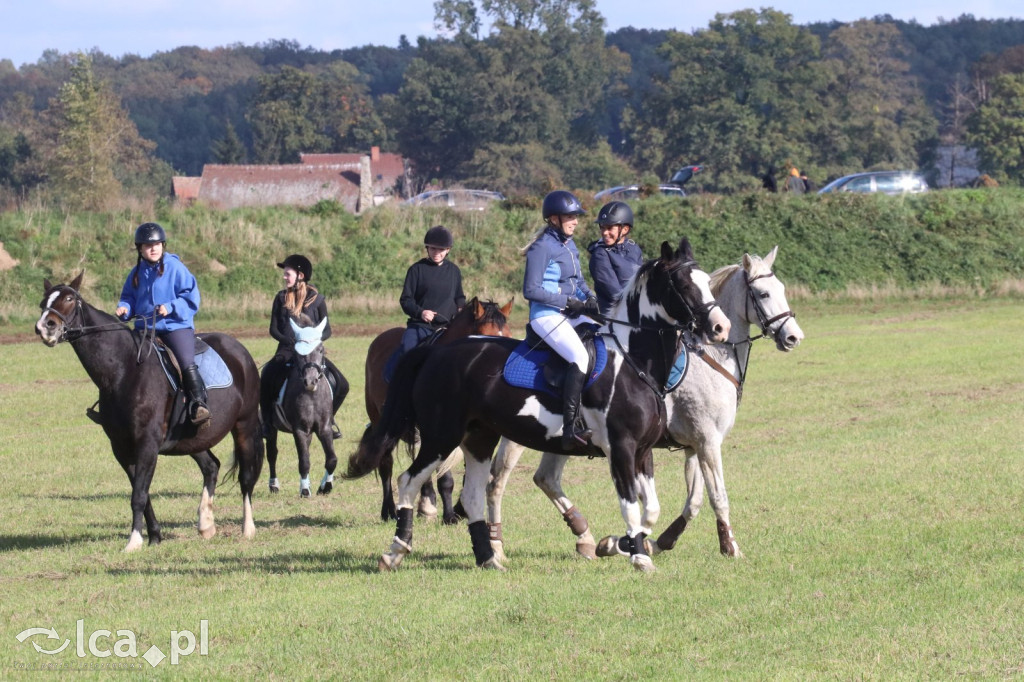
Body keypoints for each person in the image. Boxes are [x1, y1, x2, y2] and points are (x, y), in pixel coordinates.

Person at [522, 190, 601, 450]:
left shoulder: (570, 245)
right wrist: (567, 302)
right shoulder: (541, 247)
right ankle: (570, 428)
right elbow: (530, 290)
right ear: (554, 219)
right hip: (545, 316)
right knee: (579, 357)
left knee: (603, 338)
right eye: (570, 216)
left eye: (576, 216)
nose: (576, 220)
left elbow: (576, 282)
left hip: (569, 316)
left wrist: (591, 300)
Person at [116, 222, 209, 424]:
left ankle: (199, 404)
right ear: (140, 249)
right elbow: (129, 297)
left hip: (175, 327)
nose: (153, 248)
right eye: (148, 245)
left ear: (163, 245)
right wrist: (125, 308)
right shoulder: (136, 272)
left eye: (157, 244)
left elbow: (191, 297)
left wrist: (171, 306)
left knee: (186, 363)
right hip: (144, 330)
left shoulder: (175, 267)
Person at [260, 254, 349, 439]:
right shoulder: (280, 298)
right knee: (267, 375)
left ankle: (328, 421)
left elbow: (328, 330)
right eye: (284, 274)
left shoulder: (317, 300)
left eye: (287, 273)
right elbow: (273, 329)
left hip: (312, 353)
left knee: (342, 384)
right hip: (286, 350)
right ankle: (267, 424)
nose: (284, 277)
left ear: (300, 275)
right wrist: (289, 342)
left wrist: (314, 341)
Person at [396, 225, 466, 357]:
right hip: (421, 326)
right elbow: (406, 300)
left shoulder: (454, 271)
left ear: (448, 250)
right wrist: (421, 312)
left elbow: (459, 296)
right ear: (427, 248)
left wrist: (461, 308)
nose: (437, 253)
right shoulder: (416, 269)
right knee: (407, 352)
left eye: (441, 249)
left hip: (447, 327)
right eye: (433, 248)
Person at [587, 200, 644, 316]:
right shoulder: (600, 255)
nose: (604, 233)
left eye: (609, 228)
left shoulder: (634, 248)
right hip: (617, 317)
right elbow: (616, 295)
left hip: (638, 310)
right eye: (602, 228)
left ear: (625, 229)